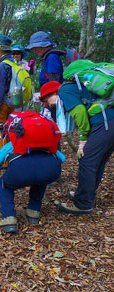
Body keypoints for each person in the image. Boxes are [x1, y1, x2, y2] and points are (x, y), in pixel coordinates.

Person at [0, 112, 65, 233]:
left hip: (21, 170)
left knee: (3, 184)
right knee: (41, 178)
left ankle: (9, 217)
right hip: (51, 170)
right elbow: (62, 158)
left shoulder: (12, 145)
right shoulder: (47, 143)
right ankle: (34, 211)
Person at [46, 81, 114, 215]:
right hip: (108, 120)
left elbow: (80, 112)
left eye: (46, 99)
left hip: (105, 121)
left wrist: (83, 140)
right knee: (98, 159)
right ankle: (86, 193)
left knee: (87, 159)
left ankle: (83, 204)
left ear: (54, 93)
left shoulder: (64, 91)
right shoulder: (78, 87)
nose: (48, 104)